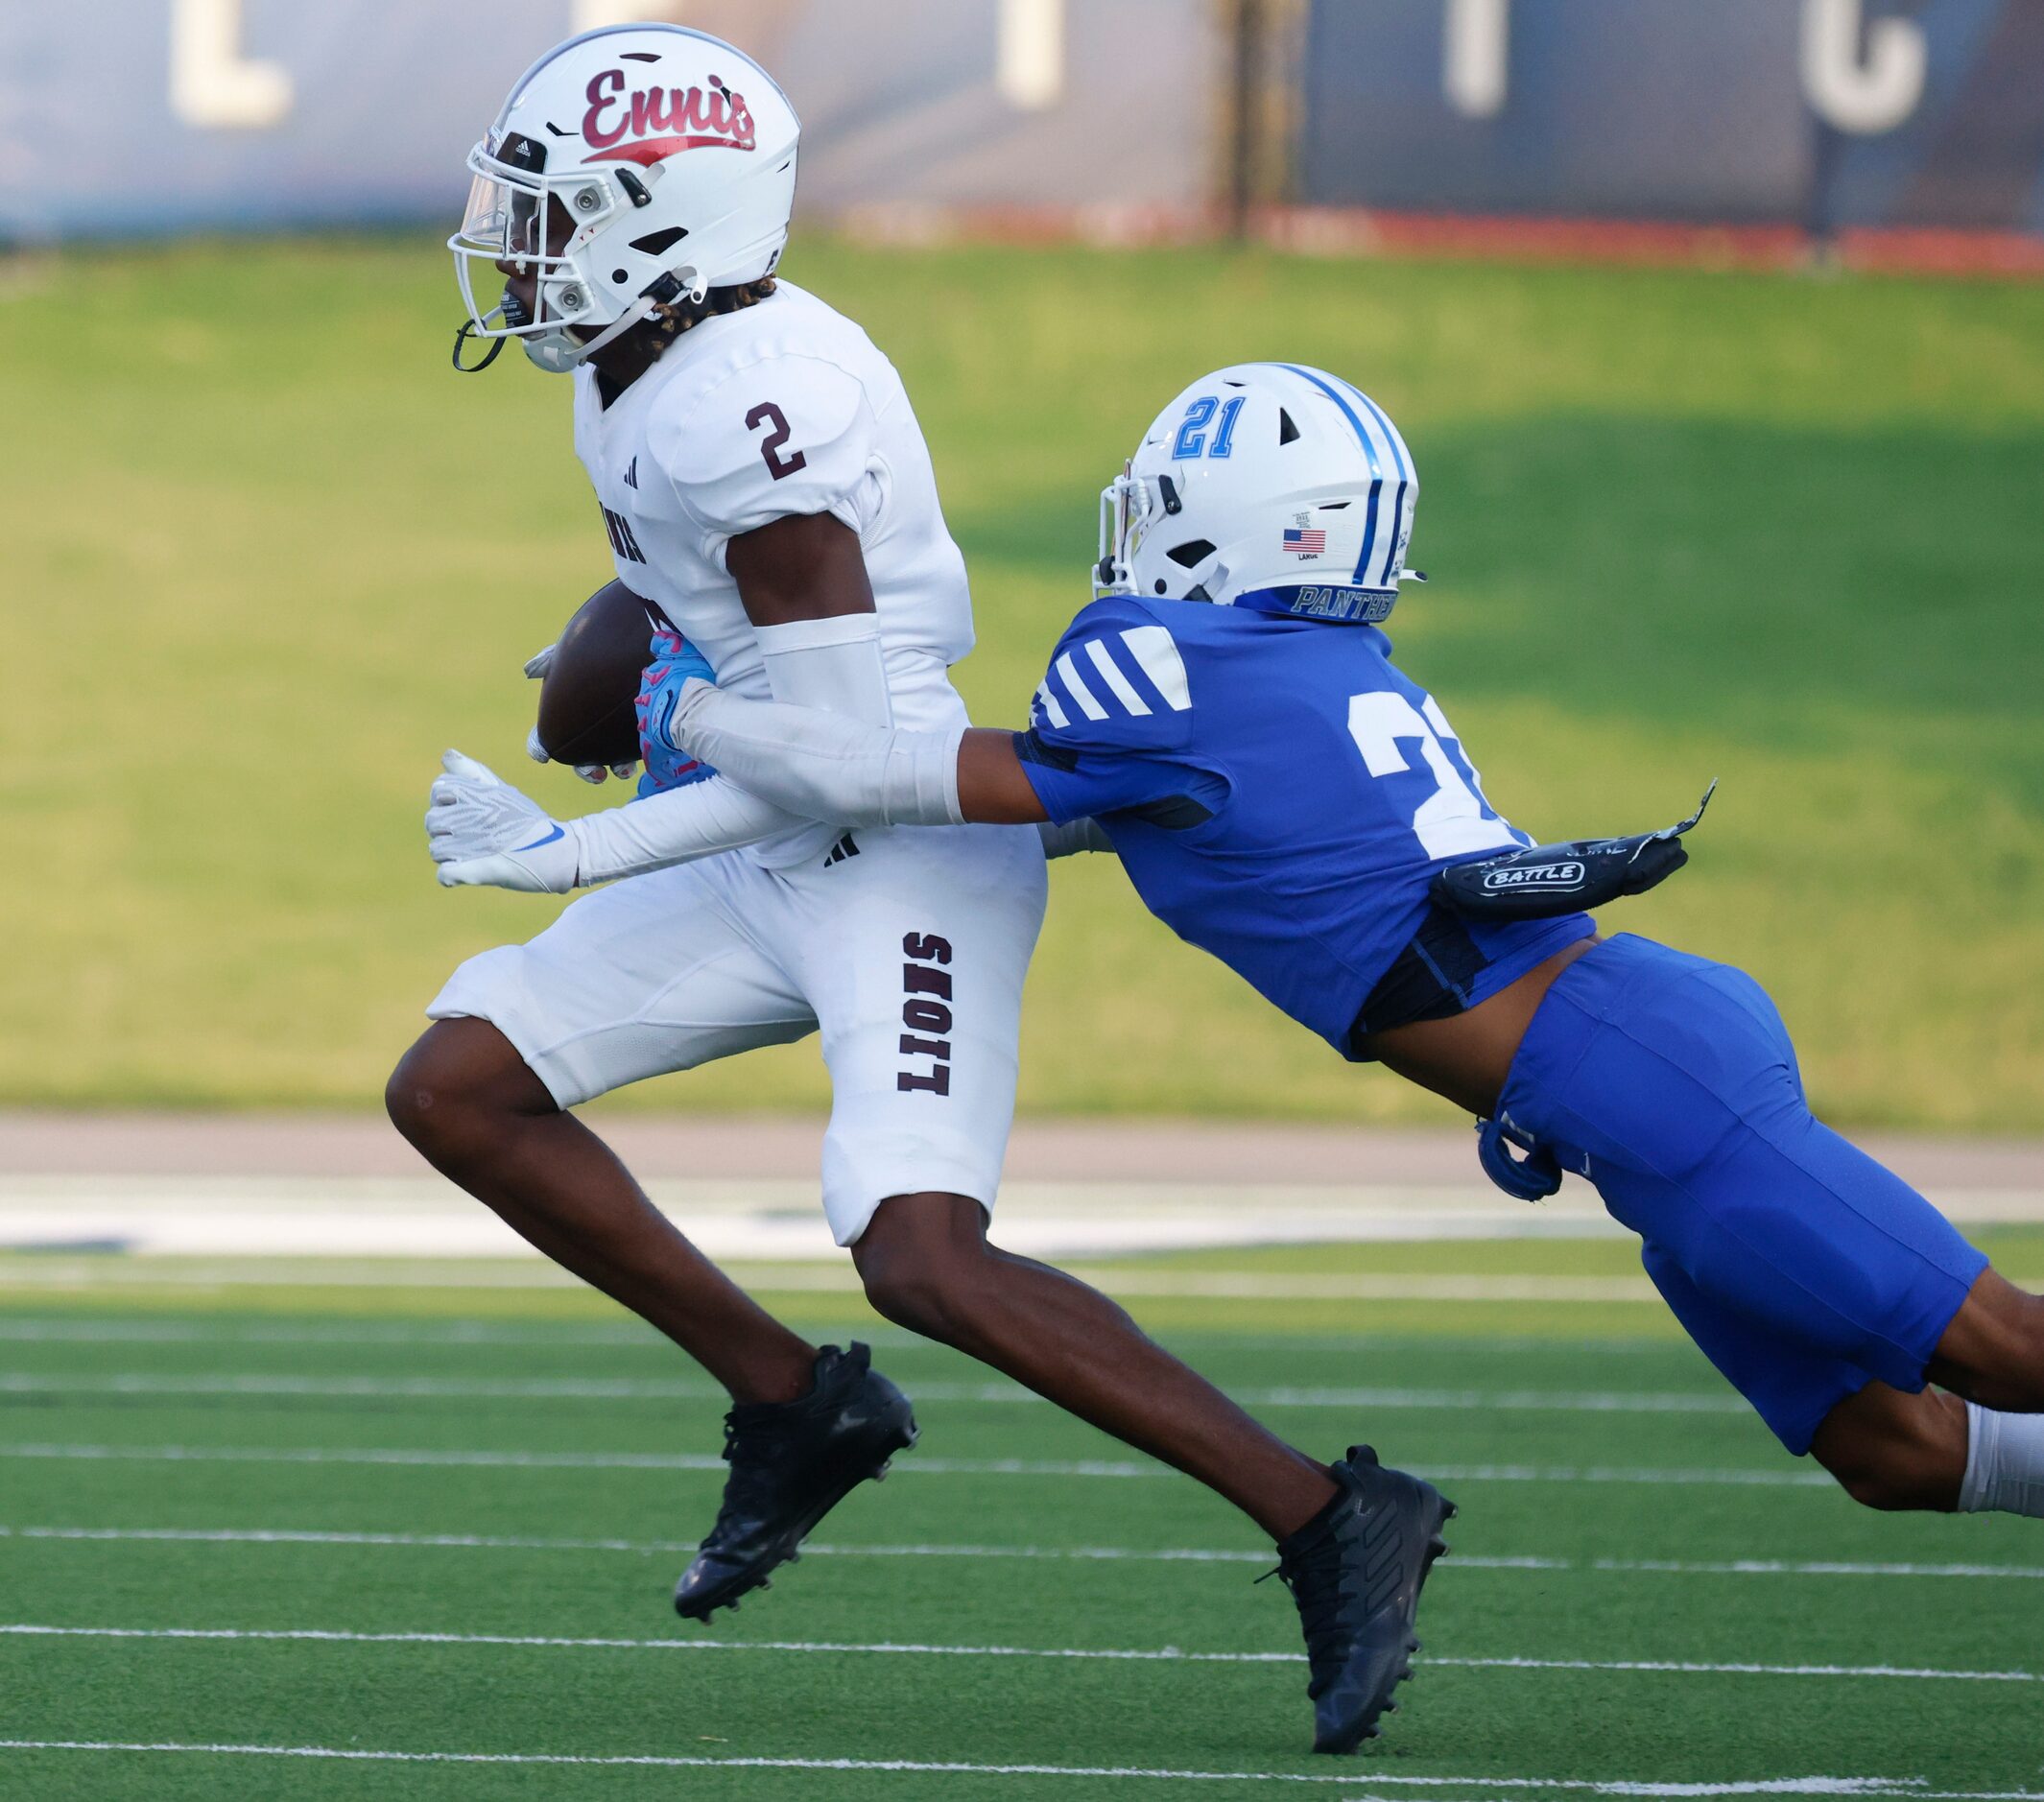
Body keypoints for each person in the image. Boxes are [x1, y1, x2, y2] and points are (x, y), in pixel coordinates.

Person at [402, 32, 1453, 1756]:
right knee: (456, 1084)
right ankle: (792, 1404)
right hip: (775, 826)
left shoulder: (756, 405)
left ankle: (1333, 1515)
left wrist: (579, 835)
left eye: (548, 213)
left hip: (895, 850)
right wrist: (634, 668)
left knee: (923, 1258)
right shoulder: (643, 358)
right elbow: (711, 647)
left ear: (660, 222)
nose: (511, 249)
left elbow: (834, 752)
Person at [655, 359, 2044, 1530]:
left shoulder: (1167, 664)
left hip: (1637, 1077)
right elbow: (1062, 813)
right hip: (1622, 1070)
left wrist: (691, 712)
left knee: (2004, 1345)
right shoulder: (1311, 670)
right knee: (1895, 1452)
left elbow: (889, 777)